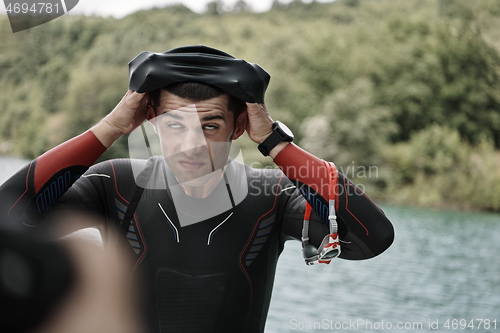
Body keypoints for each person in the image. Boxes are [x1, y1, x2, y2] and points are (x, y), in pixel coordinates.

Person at [0, 45, 394, 333]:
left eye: (210, 126)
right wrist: (111, 128)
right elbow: (8, 215)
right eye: (174, 125)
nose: (192, 145)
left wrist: (274, 141)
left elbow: (373, 238)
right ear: (150, 121)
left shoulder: (270, 195)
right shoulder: (117, 185)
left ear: (239, 127)